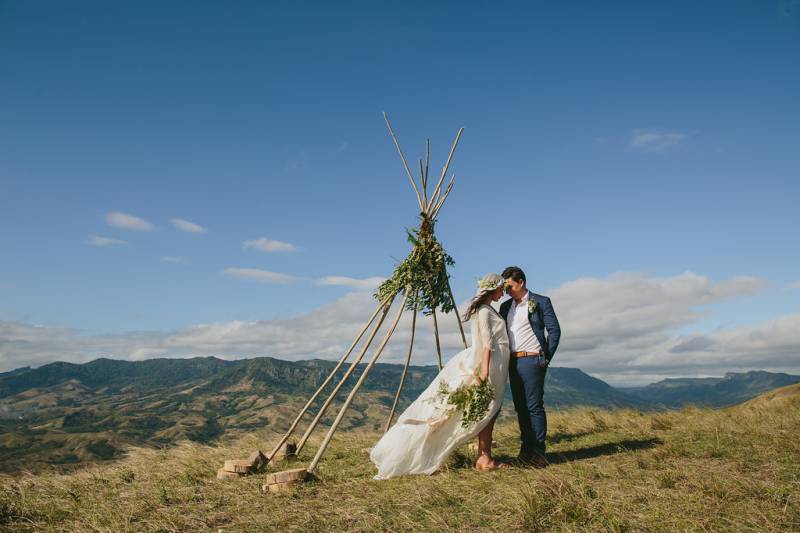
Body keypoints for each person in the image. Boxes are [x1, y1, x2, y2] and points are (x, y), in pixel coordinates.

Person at [370, 273, 511, 479]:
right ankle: (481, 458)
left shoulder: (488, 309)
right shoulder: (484, 312)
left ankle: (484, 457)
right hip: (490, 366)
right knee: (484, 411)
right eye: (501, 288)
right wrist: (484, 370)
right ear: (492, 289)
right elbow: (487, 343)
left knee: (489, 412)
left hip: (498, 365)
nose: (503, 292)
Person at [499, 266, 561, 467]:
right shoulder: (505, 307)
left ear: (521, 282)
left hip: (533, 360)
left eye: (510, 286)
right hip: (512, 361)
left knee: (534, 407)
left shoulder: (541, 302)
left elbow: (554, 331)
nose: (507, 291)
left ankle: (539, 453)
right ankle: (525, 450)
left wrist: (545, 357)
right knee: (520, 408)